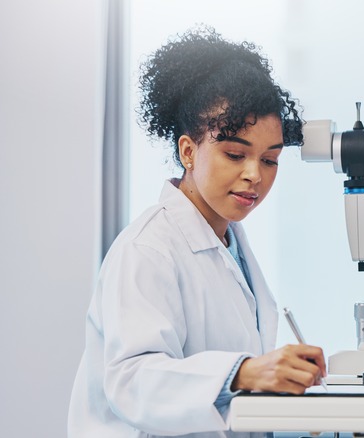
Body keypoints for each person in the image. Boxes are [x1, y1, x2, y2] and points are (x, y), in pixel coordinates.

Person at [68, 27, 327, 437]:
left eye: (270, 160)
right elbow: (133, 380)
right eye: (235, 154)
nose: (253, 175)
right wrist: (243, 372)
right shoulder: (148, 249)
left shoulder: (229, 245)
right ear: (188, 151)